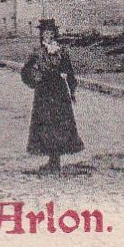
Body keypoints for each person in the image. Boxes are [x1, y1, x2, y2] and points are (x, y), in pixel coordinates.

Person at [21, 19, 83, 173]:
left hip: (59, 91)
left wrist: (72, 89)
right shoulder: (37, 52)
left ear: (55, 34)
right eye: (45, 33)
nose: (48, 36)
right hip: (43, 92)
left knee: (60, 123)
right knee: (45, 123)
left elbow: (69, 72)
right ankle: (51, 159)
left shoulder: (61, 51)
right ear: (41, 35)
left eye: (50, 32)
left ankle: (56, 160)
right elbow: (26, 70)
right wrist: (36, 78)